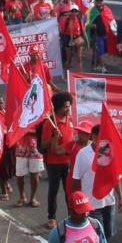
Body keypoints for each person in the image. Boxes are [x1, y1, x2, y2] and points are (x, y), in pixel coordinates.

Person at [40, 91, 77, 229]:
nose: (68, 109)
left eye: (69, 106)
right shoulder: (49, 123)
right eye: (66, 107)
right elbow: (43, 144)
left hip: (68, 161)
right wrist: (54, 137)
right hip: (54, 163)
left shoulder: (70, 119)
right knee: (54, 190)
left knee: (69, 190)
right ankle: (52, 217)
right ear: (58, 107)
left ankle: (72, 215)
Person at [13, 123, 44, 209]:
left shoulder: (40, 113)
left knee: (35, 175)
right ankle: (22, 197)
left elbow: (42, 131)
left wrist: (28, 131)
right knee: (19, 174)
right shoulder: (20, 111)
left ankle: (33, 198)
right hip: (21, 147)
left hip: (35, 147)